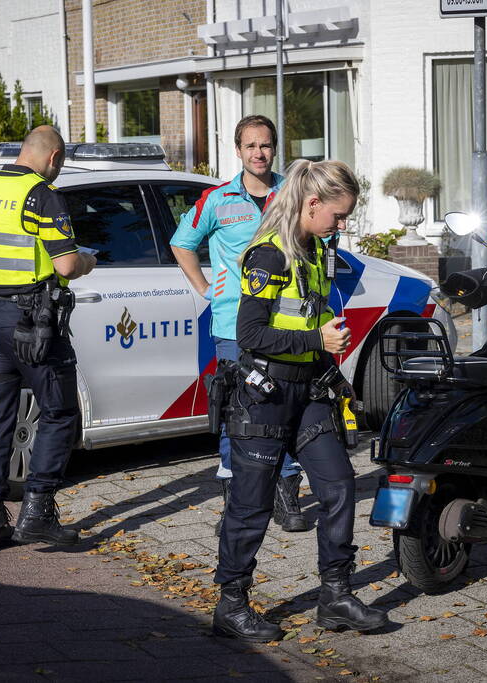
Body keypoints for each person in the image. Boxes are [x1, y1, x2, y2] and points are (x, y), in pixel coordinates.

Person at [212, 159, 387, 642]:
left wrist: (332, 366)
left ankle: (336, 596)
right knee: (251, 504)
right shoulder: (269, 255)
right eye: (338, 215)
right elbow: (249, 335)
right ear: (312, 204)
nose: (342, 224)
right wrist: (316, 340)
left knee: (339, 486)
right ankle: (231, 605)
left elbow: (311, 314)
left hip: (309, 393)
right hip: (264, 396)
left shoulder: (316, 250)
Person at [0, 125, 97, 553]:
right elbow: (66, 265)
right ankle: (37, 513)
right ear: (54, 157)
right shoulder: (42, 194)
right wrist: (87, 261)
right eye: (60, 163)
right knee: (59, 410)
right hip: (32, 321)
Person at [170, 115, 308, 534]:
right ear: (238, 150)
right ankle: (237, 502)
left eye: (265, 145)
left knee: (286, 407)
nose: (258, 153)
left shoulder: (295, 193)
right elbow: (182, 243)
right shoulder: (216, 200)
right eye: (250, 146)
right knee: (236, 412)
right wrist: (204, 288)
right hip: (233, 323)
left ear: (274, 148)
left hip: (286, 323)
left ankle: (286, 494)